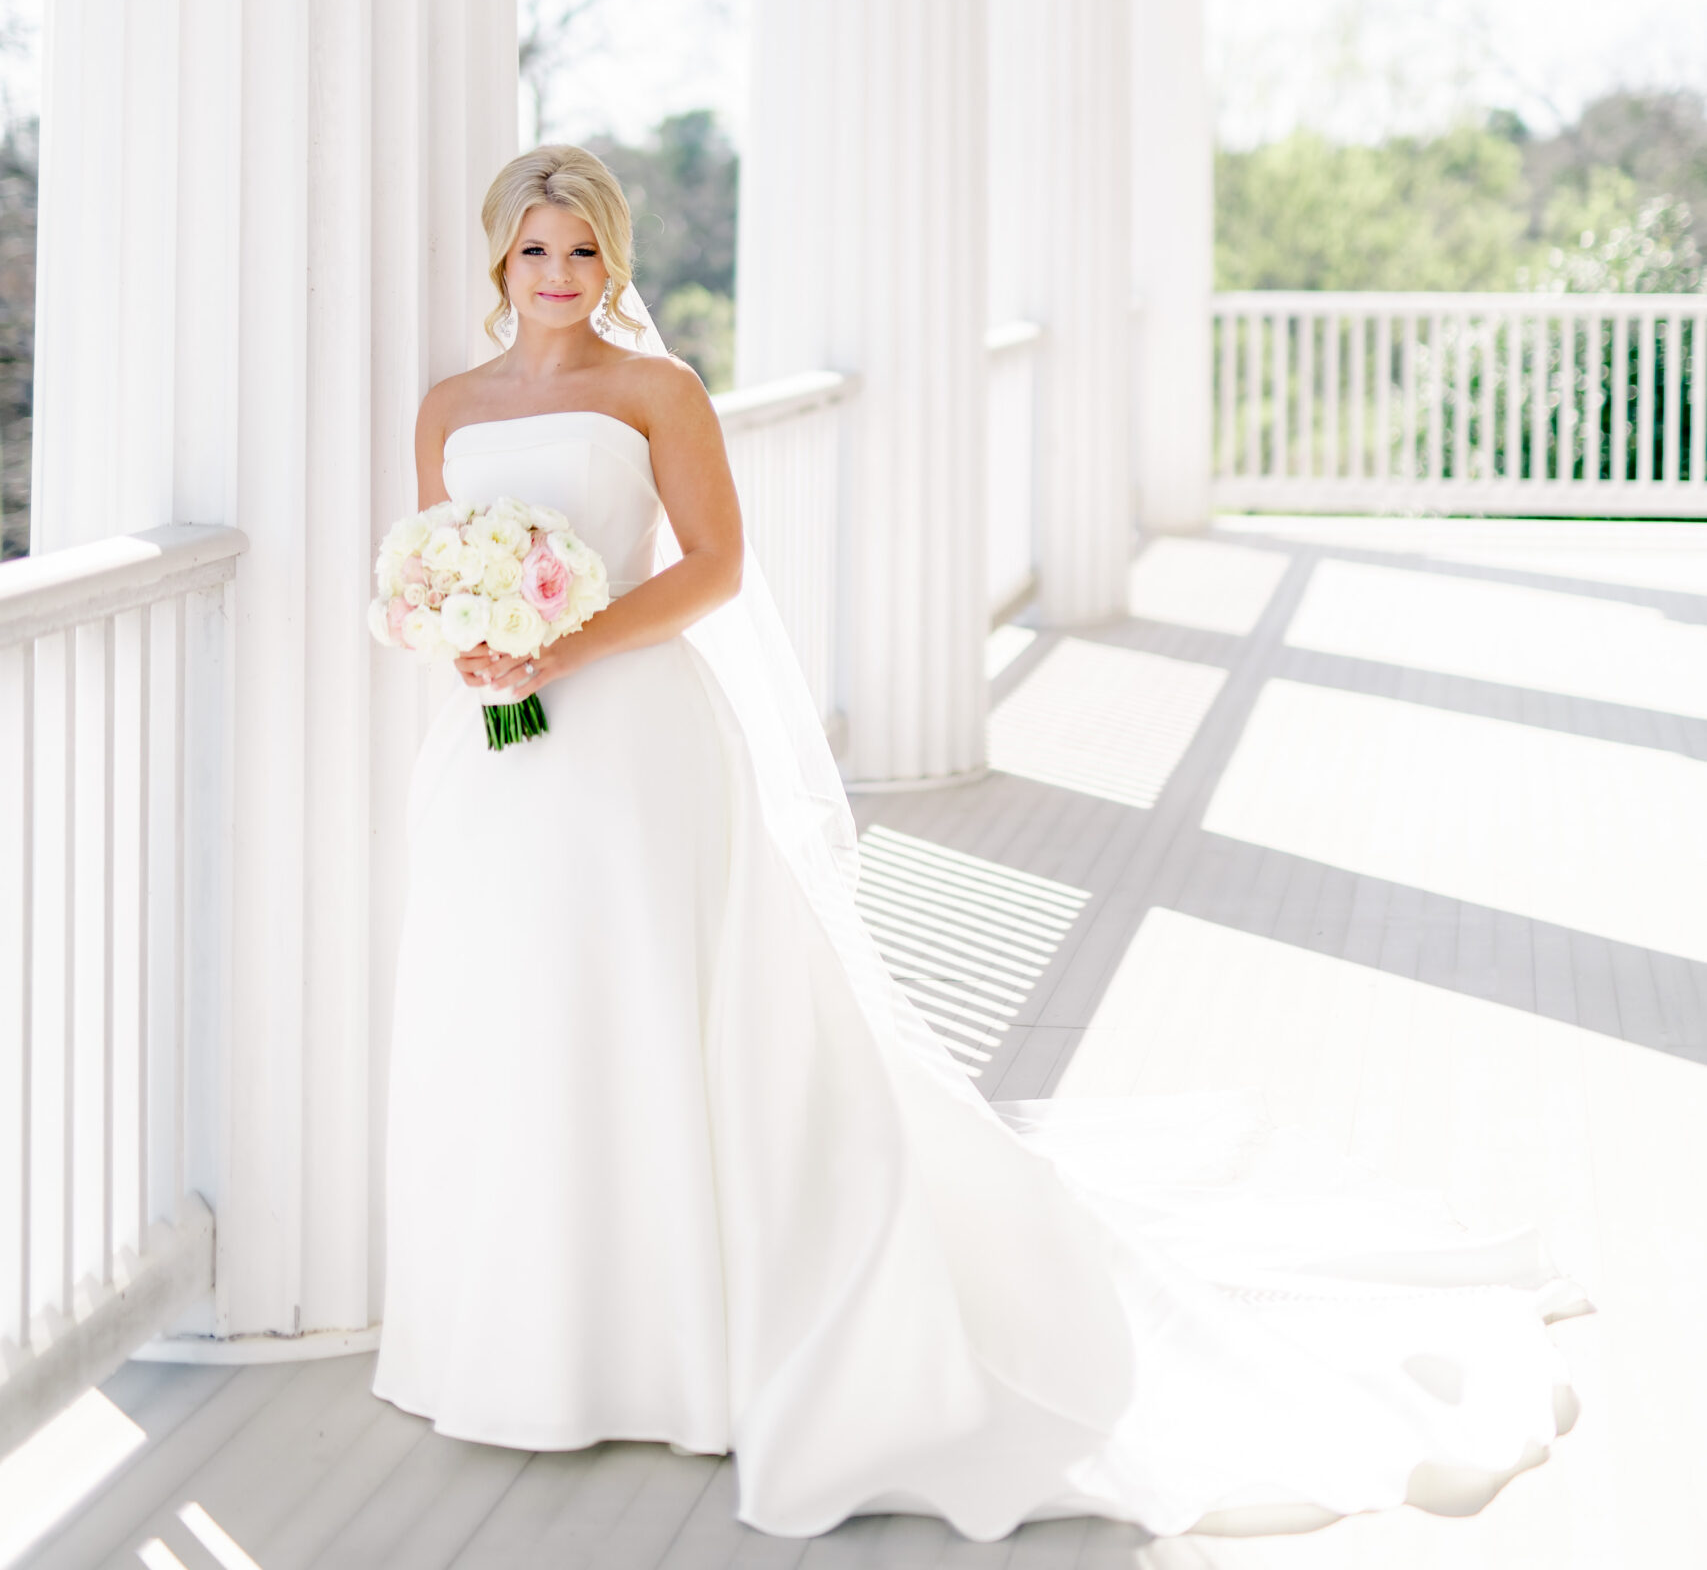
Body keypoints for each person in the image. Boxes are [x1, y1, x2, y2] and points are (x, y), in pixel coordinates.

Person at [370, 144, 1585, 1542]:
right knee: (506, 1015)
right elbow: (434, 550)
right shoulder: (450, 408)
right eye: (536, 252)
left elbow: (708, 568)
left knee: (641, 1008)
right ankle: (517, 1333)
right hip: (493, 759)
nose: (562, 277)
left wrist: (565, 639)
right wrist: (474, 636)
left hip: (631, 741)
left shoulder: (658, 392)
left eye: (584, 251)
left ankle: (665, 1342)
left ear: (614, 258)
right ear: (497, 261)